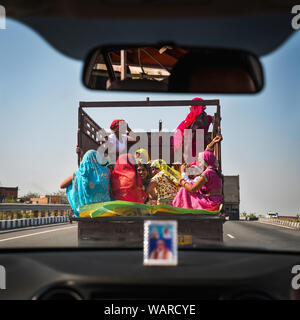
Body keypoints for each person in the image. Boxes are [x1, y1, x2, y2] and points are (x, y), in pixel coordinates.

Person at [172, 136, 224, 211]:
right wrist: (212, 143)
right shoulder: (214, 171)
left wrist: (181, 181)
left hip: (210, 202)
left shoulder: (208, 172)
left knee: (184, 189)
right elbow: (207, 156)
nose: (199, 164)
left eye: (200, 161)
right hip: (215, 201)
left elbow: (192, 189)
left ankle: (177, 208)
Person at [60, 150, 113, 217]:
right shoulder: (106, 173)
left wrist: (77, 175)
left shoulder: (80, 174)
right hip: (105, 210)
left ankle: (79, 205)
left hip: (87, 211)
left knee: (74, 183)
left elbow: (61, 185)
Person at [173, 97, 213, 164]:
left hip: (191, 150)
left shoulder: (188, 120)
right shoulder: (207, 118)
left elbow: (178, 136)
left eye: (191, 107)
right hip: (201, 150)